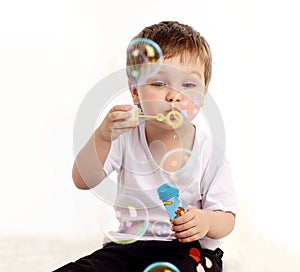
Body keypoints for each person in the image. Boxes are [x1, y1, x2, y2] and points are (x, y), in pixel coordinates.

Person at [53, 21, 237, 272]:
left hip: (187, 249)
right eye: (159, 84)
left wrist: (206, 221)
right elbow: (82, 179)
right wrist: (103, 137)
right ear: (135, 93)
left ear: (202, 96)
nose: (174, 96)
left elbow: (226, 218)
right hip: (126, 247)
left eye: (189, 85)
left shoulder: (209, 151)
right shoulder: (124, 135)